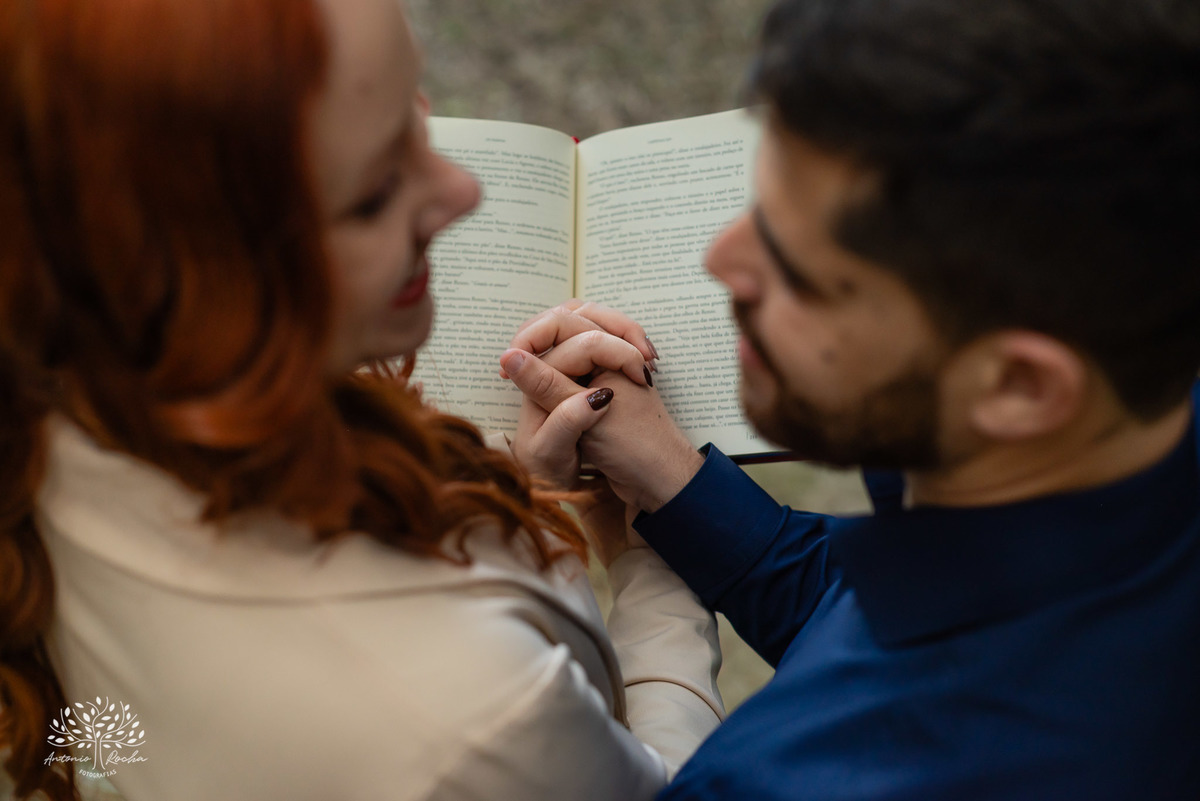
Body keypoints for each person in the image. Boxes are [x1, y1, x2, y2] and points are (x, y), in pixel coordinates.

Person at [0, 1, 723, 800]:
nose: (462, 189)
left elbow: (109, 739)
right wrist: (651, 562)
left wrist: (528, 489)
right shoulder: (470, 713)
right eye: (375, 192)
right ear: (216, 274)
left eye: (418, 113)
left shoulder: (60, 395)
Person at [499, 0, 1200, 798]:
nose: (723, 261)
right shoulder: (1120, 401)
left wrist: (525, 525)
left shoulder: (790, 777)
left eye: (799, 270)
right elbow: (871, 613)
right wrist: (674, 484)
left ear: (1018, 386)